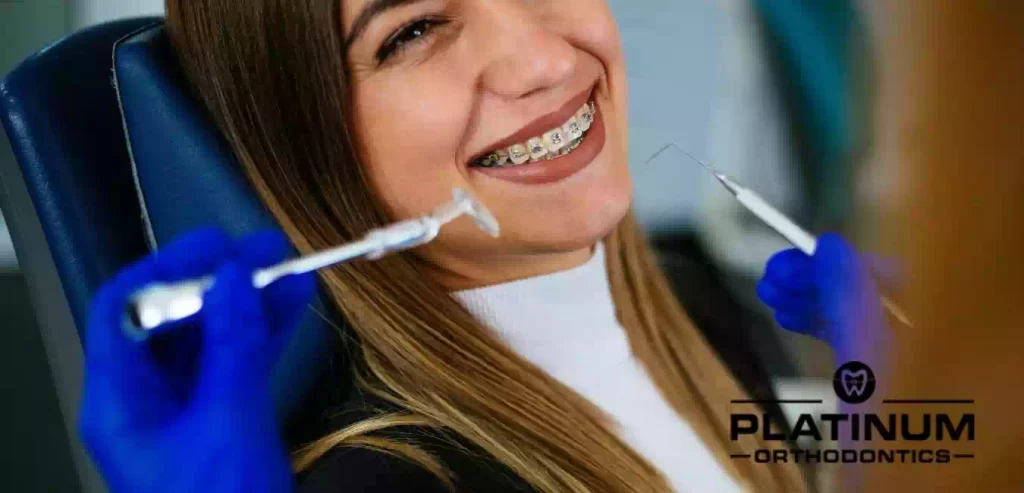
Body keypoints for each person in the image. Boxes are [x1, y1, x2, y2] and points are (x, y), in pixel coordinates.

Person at [78, 1, 885, 492]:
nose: (547, 60)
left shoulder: (699, 314)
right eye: (414, 30)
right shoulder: (393, 483)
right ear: (305, 142)